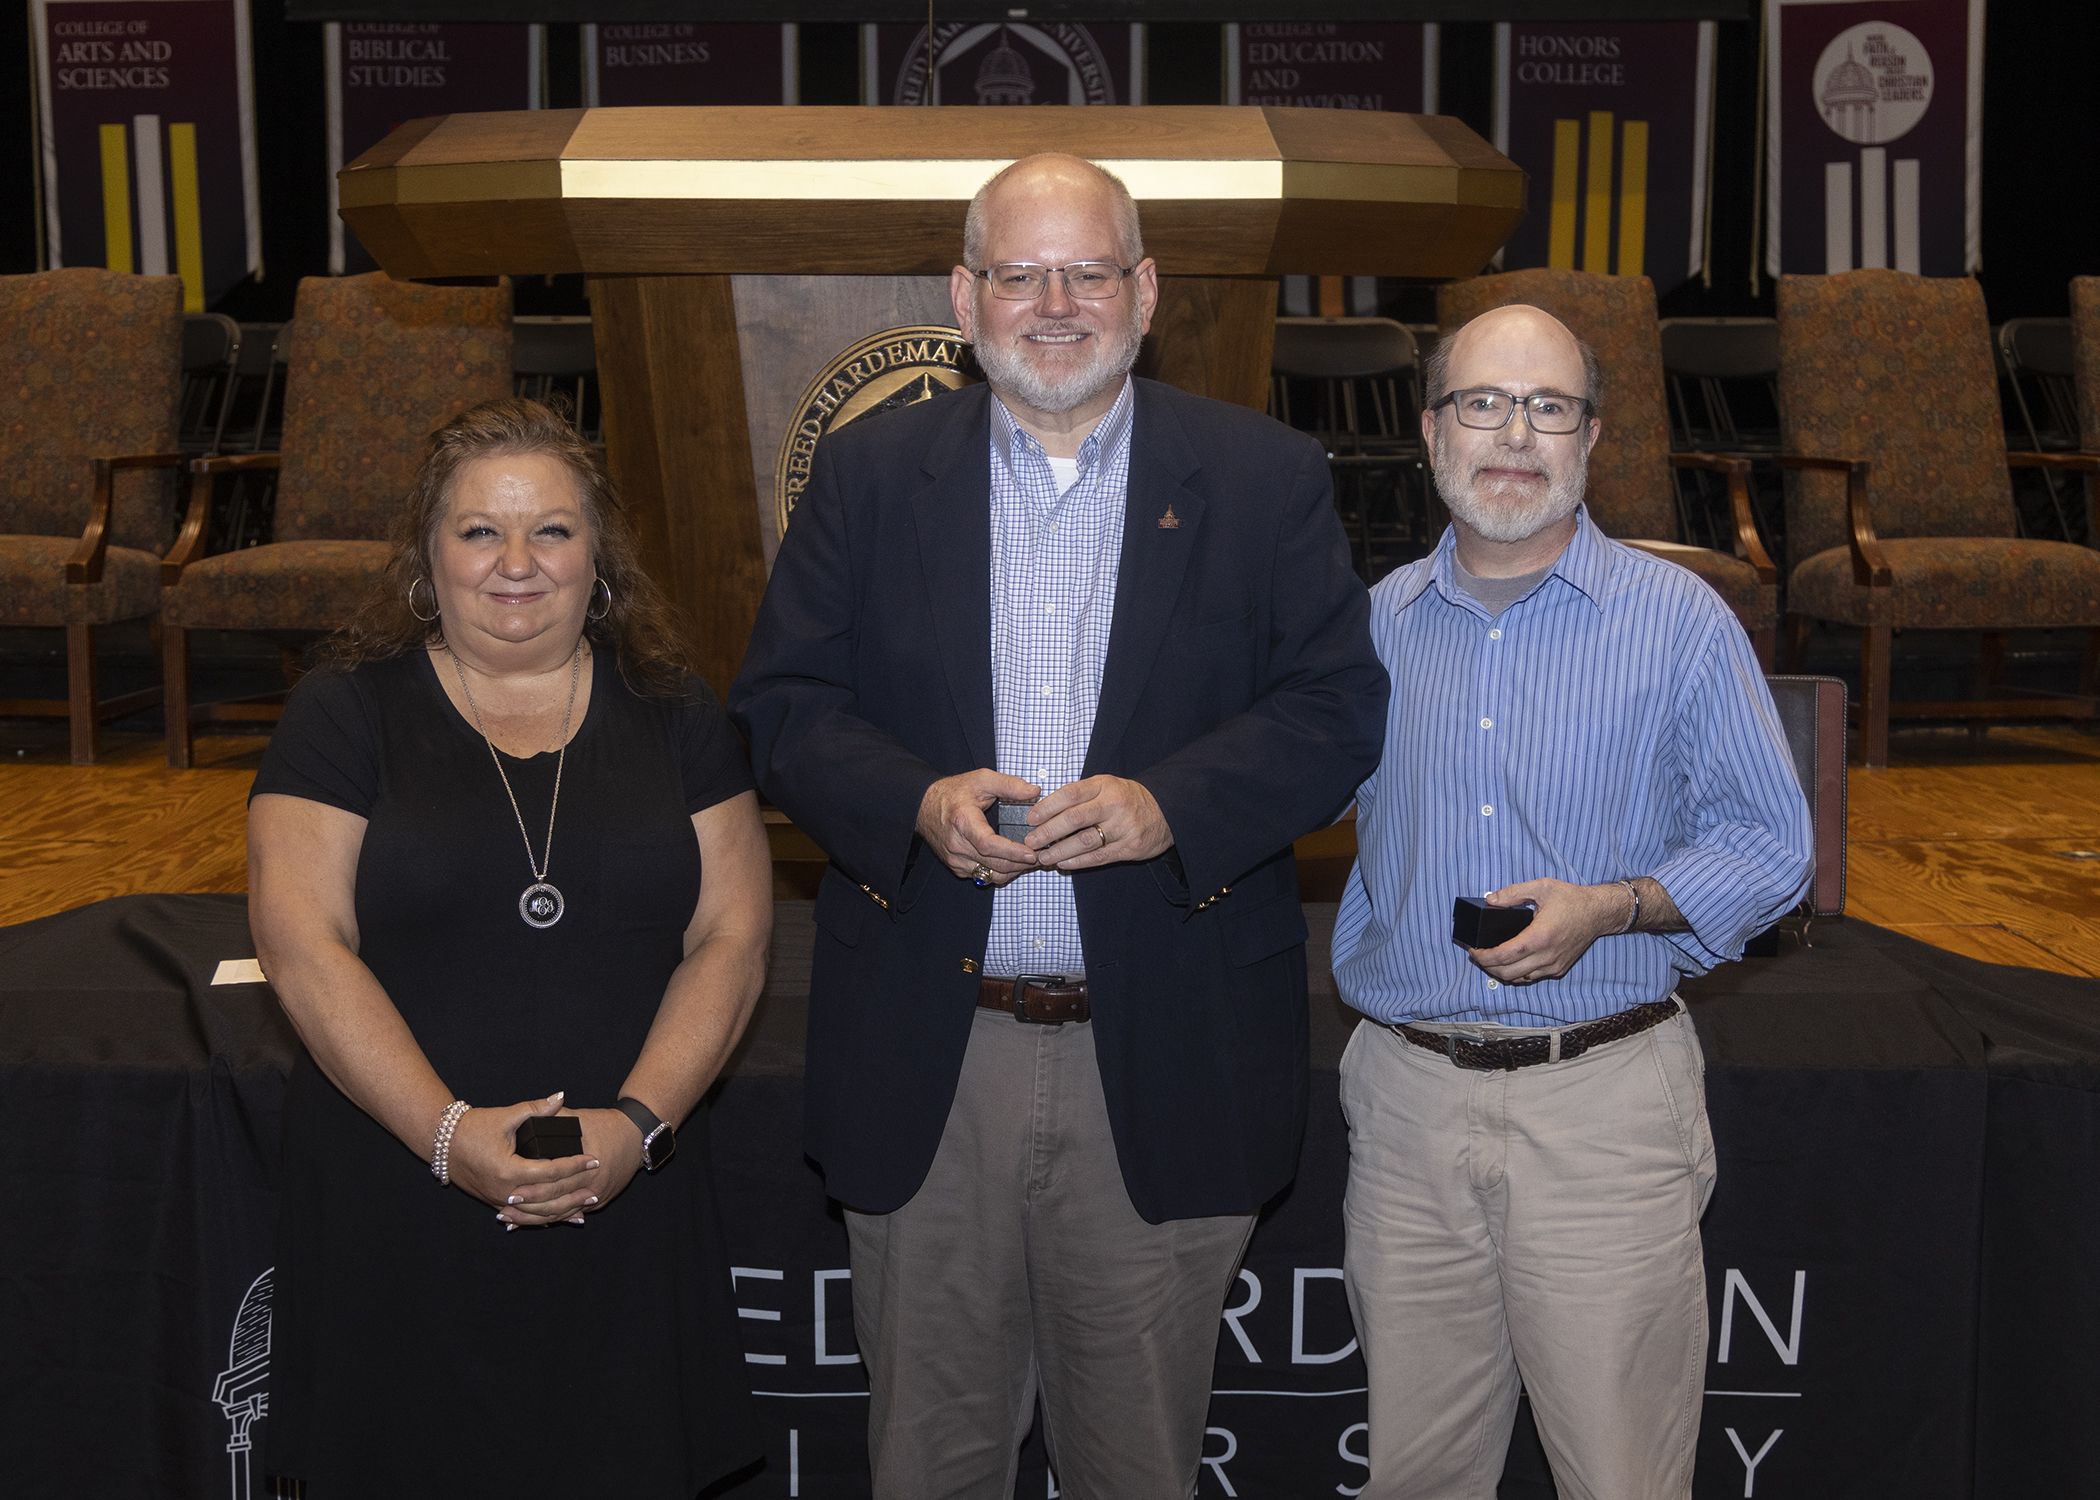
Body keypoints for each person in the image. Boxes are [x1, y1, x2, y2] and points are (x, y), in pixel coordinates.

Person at [731, 153, 1387, 1497]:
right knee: (929, 1466)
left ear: (1145, 293)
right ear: (962, 298)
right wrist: (912, 804)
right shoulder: (865, 477)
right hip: (933, 1053)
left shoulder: (1264, 480)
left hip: (1166, 1052)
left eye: (1089, 270)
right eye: (1020, 273)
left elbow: (1337, 710)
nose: (1056, 302)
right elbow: (783, 707)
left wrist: (1173, 808)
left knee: (1136, 1468)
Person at [1330, 303, 1812, 1499]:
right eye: (1484, 404)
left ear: (1591, 438)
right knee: (1416, 1479)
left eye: (1549, 408)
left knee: (1620, 1481)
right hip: (1407, 1110)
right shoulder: (1364, 632)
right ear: (1433, 431)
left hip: (1603, 1107)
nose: (1515, 435)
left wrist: (1616, 906)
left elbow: (1772, 843)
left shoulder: (1681, 621)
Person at [247, 398, 768, 1496]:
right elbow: (303, 946)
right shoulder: (341, 714)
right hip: (401, 1199)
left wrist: (634, 1129)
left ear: (601, 558)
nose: (516, 563)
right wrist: (447, 1138)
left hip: (624, 1193)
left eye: (553, 530)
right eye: (481, 530)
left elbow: (731, 937)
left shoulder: (678, 712)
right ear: (429, 557)